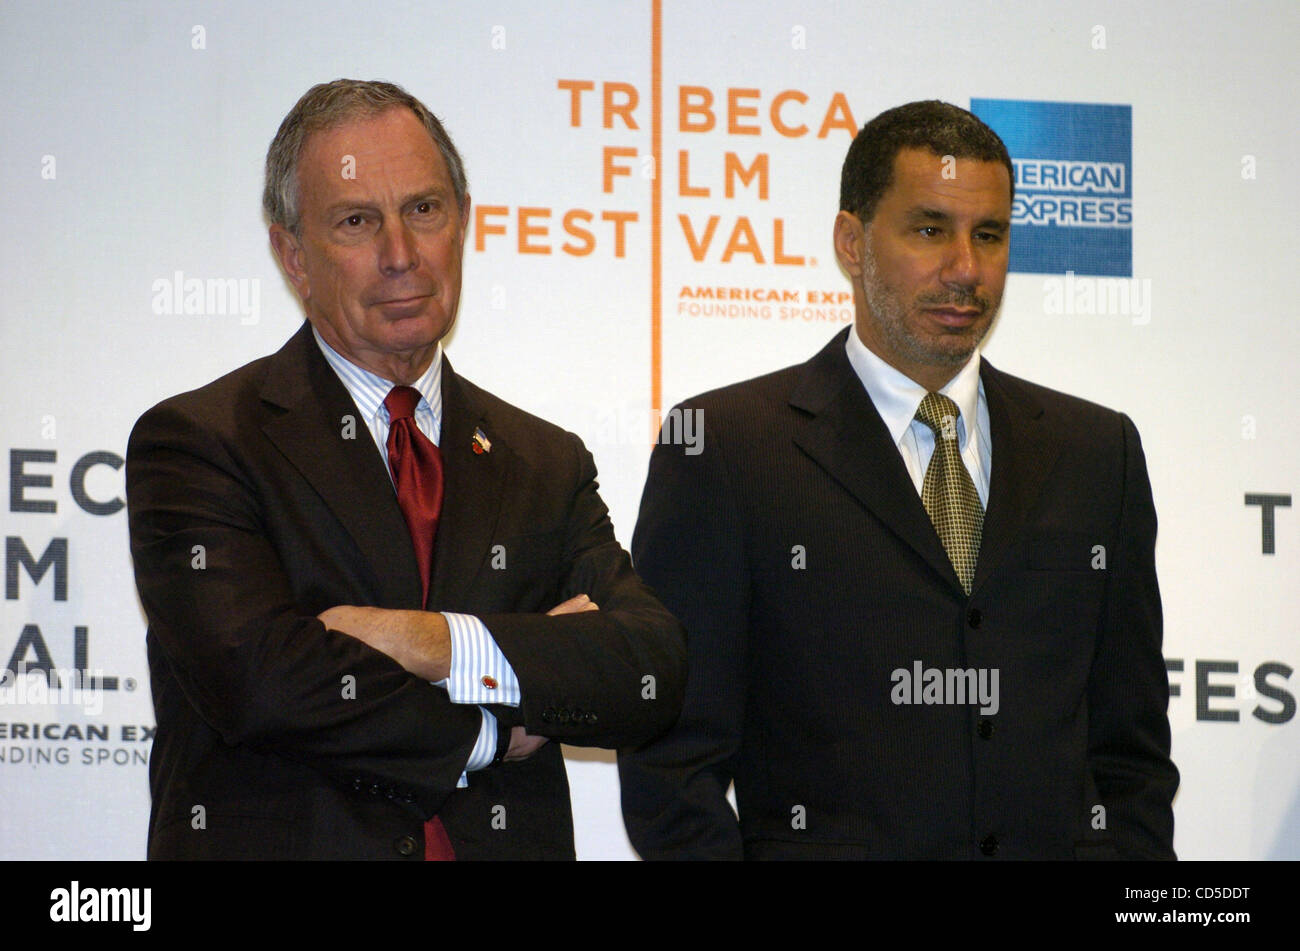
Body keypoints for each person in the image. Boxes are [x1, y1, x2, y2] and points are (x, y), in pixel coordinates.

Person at [126, 79, 685, 860]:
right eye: (357, 221)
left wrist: (436, 645)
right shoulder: (200, 441)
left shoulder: (543, 461)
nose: (400, 254)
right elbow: (263, 683)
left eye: (424, 210)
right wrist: (495, 720)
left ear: (462, 222)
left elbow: (646, 668)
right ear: (293, 255)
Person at [618, 100, 1178, 860]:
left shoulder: (1097, 452)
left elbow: (1130, 756)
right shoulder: (725, 448)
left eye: (989, 235)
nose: (966, 269)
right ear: (851, 242)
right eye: (928, 229)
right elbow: (671, 764)